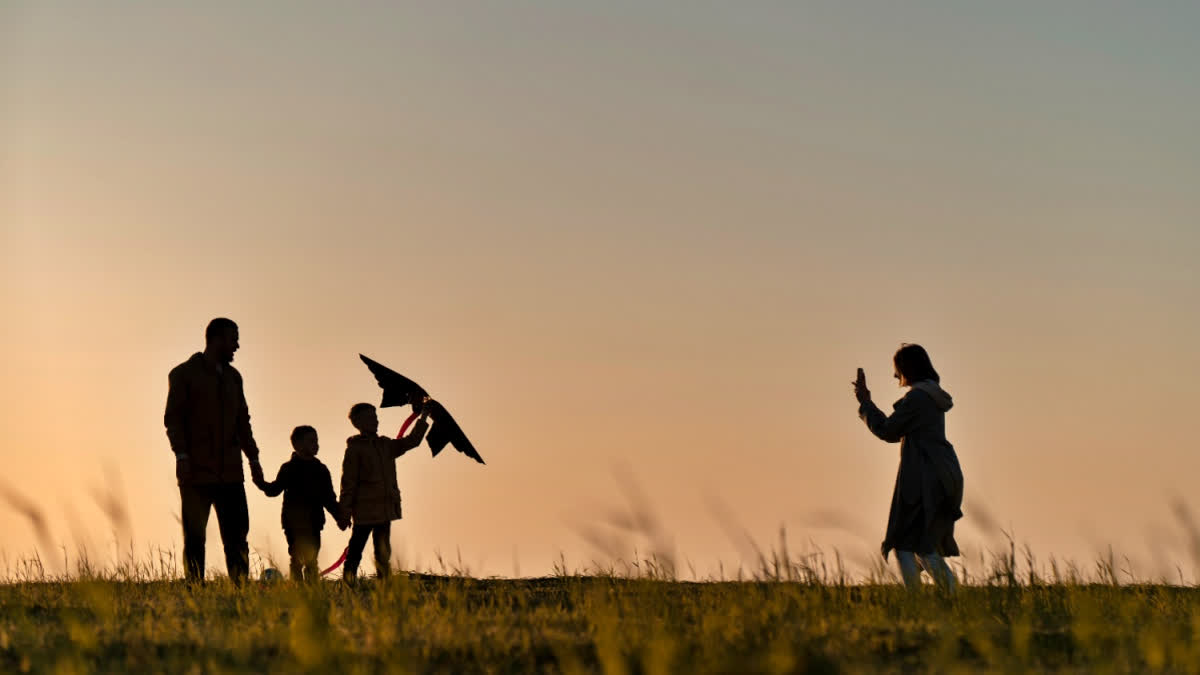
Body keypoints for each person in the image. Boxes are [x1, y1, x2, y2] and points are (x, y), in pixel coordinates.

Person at [853, 343, 963, 592]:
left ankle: (918, 601)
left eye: (897, 369)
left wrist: (865, 404)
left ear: (907, 369)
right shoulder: (933, 395)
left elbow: (889, 431)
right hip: (944, 474)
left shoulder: (917, 398)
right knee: (923, 546)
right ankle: (950, 598)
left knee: (906, 545)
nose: (895, 376)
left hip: (924, 478)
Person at [164, 318, 264, 583]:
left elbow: (243, 421)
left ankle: (241, 587)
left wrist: (253, 458)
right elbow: (173, 420)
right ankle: (195, 587)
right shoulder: (184, 374)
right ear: (217, 339)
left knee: (237, 536)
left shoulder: (234, 378)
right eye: (233, 339)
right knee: (195, 537)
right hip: (196, 473)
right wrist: (182, 456)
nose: (237, 346)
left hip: (231, 473)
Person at [338, 401, 431, 580]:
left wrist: (424, 416)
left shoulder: (385, 445)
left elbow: (412, 441)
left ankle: (384, 585)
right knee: (356, 549)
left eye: (376, 417)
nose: (375, 421)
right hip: (364, 511)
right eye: (370, 418)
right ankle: (348, 582)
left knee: (383, 552)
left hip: (384, 509)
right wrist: (344, 513)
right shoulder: (355, 450)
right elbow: (348, 484)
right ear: (358, 423)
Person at [253, 426, 345, 582]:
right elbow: (274, 490)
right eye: (311, 441)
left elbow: (328, 498)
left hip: (314, 522)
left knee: (311, 559)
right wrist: (260, 482)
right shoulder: (289, 468)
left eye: (316, 441)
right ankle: (298, 589)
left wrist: (340, 517)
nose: (316, 445)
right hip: (293, 522)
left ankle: (311, 589)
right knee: (296, 558)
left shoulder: (321, 470)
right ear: (297, 445)